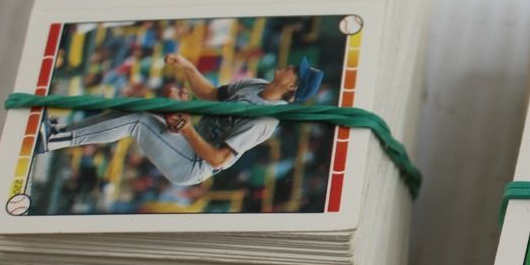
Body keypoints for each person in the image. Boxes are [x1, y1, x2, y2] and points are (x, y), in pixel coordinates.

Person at [38, 54, 324, 188]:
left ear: (292, 87)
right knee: (139, 109)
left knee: (139, 121)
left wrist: (186, 128)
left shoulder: (265, 121)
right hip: (189, 145)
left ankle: (52, 140)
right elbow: (211, 94)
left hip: (193, 165)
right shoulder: (257, 85)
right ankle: (58, 131)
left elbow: (218, 159)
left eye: (294, 71)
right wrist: (188, 67)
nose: (290, 66)